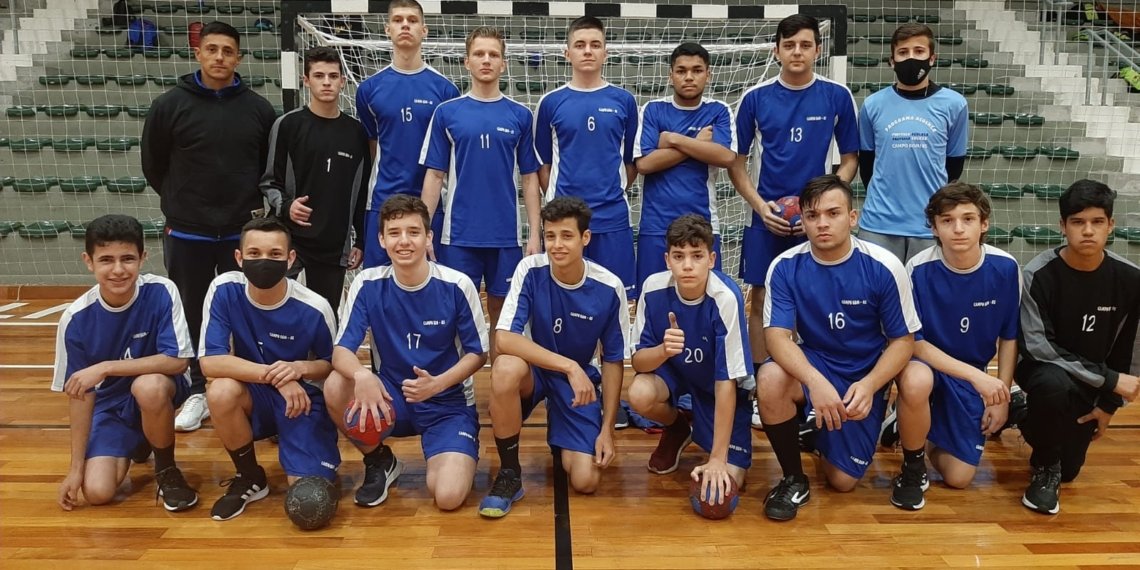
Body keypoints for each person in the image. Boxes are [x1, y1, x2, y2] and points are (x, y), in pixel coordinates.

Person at [757, 174, 920, 521]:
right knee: (770, 377)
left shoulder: (884, 266)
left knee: (842, 481)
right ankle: (792, 478)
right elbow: (776, 337)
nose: (822, 224)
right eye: (813, 215)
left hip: (864, 371)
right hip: (816, 361)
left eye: (833, 213)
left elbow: (903, 342)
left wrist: (871, 385)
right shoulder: (785, 266)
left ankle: (816, 432)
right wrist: (815, 382)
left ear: (853, 217)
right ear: (802, 219)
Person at [142, 20, 277, 432]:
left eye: (228, 51)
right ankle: (200, 388)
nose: (220, 57)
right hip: (189, 230)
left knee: (248, 310)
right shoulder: (169, 105)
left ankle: (251, 387)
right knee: (194, 310)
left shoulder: (258, 109)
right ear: (199, 53)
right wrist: (184, 202)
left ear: (238, 57)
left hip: (241, 231)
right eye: (212, 49)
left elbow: (266, 170)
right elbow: (154, 165)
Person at [326, 195, 489, 510]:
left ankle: (452, 448)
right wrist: (362, 375)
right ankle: (379, 461)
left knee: (448, 497)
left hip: (447, 403)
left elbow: (477, 354)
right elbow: (341, 351)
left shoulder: (458, 285)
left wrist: (437, 384)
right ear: (381, 239)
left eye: (413, 232)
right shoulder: (367, 283)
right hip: (391, 398)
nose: (404, 241)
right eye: (395, 232)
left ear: (428, 238)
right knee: (336, 384)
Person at [727, 14, 859, 383]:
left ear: (818, 49)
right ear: (776, 51)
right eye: (789, 45)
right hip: (768, 215)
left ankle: (811, 375)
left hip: (816, 218)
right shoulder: (754, 98)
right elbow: (735, 164)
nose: (797, 52)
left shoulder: (837, 95)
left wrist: (821, 207)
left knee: (819, 293)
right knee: (762, 293)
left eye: (804, 44)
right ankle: (757, 379)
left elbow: (850, 160)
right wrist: (760, 207)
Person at [478, 197, 629, 518]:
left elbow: (614, 361)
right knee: (504, 368)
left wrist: (607, 431)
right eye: (550, 236)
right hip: (535, 372)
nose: (556, 245)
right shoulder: (530, 269)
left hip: (578, 384)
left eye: (566, 236)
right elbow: (504, 338)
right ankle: (509, 474)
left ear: (585, 238)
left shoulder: (609, 287)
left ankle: (565, 431)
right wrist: (568, 365)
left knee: (586, 480)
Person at [53, 214, 198, 512]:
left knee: (149, 386)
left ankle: (166, 470)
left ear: (143, 258)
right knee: (97, 492)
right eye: (106, 259)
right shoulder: (75, 319)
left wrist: (106, 367)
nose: (118, 270)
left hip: (160, 388)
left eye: (128, 259)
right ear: (88, 261)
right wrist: (75, 469)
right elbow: (81, 396)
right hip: (111, 408)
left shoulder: (161, 291)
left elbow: (178, 361)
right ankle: (143, 439)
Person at [199, 217, 340, 521]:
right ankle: (250, 476)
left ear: (290, 259)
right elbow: (210, 362)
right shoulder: (224, 289)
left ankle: (310, 454)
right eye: (254, 254)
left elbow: (331, 365)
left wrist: (299, 368)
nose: (264, 261)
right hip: (255, 393)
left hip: (302, 399)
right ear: (239, 258)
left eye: (275, 254)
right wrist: (276, 377)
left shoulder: (315, 306)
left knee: (309, 499)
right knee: (221, 390)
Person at [889, 183, 1020, 510]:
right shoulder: (918, 269)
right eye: (947, 221)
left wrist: (1001, 394)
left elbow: (1010, 336)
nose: (958, 228)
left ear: (984, 223)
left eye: (968, 219)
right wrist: (979, 379)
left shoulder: (1005, 268)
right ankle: (913, 460)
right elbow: (913, 344)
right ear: (933, 227)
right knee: (916, 379)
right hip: (928, 367)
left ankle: (916, 426)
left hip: (971, 376)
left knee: (958, 478)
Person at [1017, 179, 1140, 515]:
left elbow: (1127, 346)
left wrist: (1109, 405)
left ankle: (1023, 413)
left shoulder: (1131, 279)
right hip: (1044, 372)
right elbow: (1040, 347)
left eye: (1097, 222)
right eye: (1077, 222)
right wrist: (1112, 382)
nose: (1088, 231)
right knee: (1052, 384)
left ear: (1111, 225)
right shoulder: (1037, 274)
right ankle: (1044, 468)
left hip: (1091, 380)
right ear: (1063, 226)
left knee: (1070, 471)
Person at [420, 26, 542, 355]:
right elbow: (434, 176)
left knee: (503, 316)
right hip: (458, 235)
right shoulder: (447, 113)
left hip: (505, 236)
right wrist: (423, 229)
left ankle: (501, 385)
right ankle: (462, 389)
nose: (486, 60)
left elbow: (530, 178)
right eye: (479, 54)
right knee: (456, 311)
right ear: (466, 61)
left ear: (503, 64)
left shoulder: (520, 115)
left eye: (493, 54)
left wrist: (534, 234)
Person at [629, 214, 753, 502]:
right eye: (678, 256)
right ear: (667, 260)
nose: (687, 265)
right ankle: (677, 428)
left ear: (711, 259)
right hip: (674, 374)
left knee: (728, 485)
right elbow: (638, 363)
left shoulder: (725, 297)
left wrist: (718, 459)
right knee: (639, 392)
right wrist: (663, 350)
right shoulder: (653, 288)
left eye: (696, 256)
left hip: (715, 386)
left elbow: (727, 383)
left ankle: (714, 440)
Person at [533, 16, 639, 298]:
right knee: (562, 298)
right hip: (564, 221)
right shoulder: (550, 102)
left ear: (606, 52)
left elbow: (630, 164)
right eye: (580, 45)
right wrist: (562, 203)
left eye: (595, 44)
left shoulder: (625, 101)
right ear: (567, 53)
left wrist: (609, 192)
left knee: (617, 300)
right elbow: (543, 166)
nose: (588, 50)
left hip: (612, 217)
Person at [259, 46, 369, 314]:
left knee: (325, 319)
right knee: (279, 313)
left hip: (333, 244)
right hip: (291, 240)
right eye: (319, 76)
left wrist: (360, 240)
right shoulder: (287, 125)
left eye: (333, 76)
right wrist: (287, 206)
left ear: (343, 81)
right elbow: (269, 182)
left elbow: (361, 191)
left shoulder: (356, 132)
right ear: (306, 81)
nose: (327, 82)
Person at [356, 0, 459, 268]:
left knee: (432, 282)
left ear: (424, 30)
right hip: (382, 200)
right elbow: (373, 144)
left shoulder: (446, 91)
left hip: (432, 206)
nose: (405, 25)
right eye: (398, 20)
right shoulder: (368, 90)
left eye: (412, 20)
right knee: (379, 282)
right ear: (387, 29)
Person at [857, 23, 969, 263]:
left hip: (929, 224)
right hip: (879, 224)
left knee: (923, 298)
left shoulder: (954, 104)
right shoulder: (873, 105)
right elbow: (867, 164)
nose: (911, 58)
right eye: (903, 52)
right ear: (892, 60)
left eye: (919, 52)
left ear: (932, 58)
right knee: (876, 297)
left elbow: (954, 165)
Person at [633, 42, 737, 288]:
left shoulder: (719, 110)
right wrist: (698, 145)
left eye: (697, 70)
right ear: (671, 75)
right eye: (681, 71)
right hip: (656, 227)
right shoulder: (653, 110)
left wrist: (672, 139)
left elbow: (725, 157)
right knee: (652, 301)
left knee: (703, 302)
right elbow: (645, 164)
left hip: (703, 224)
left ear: (708, 74)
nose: (689, 77)